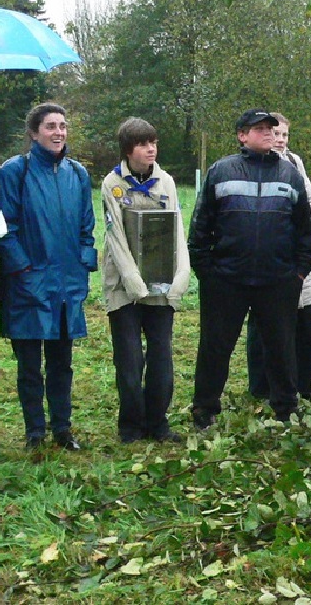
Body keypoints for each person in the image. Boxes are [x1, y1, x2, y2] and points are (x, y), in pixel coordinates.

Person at [188, 109, 311, 428]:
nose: (269, 134)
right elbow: (200, 227)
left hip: (277, 281)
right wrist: (208, 273)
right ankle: (205, 409)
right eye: (260, 129)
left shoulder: (290, 174)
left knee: (281, 347)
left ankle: (285, 407)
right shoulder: (221, 171)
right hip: (227, 281)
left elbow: (305, 231)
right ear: (242, 135)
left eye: (271, 129)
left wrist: (297, 274)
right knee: (215, 348)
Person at [0, 103, 97, 451]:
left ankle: (63, 428)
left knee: (61, 364)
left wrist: (83, 266)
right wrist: (23, 269)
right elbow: (4, 228)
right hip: (28, 283)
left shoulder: (78, 174)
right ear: (34, 132)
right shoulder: (16, 171)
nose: (58, 132)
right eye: (51, 126)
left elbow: (87, 227)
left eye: (63, 126)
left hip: (67, 286)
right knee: (28, 366)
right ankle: (34, 432)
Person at [100, 118, 190, 443]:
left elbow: (178, 229)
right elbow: (116, 238)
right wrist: (134, 283)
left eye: (153, 142)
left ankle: (158, 423)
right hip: (124, 288)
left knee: (161, 355)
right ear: (128, 149)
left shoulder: (166, 182)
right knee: (129, 358)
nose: (150, 148)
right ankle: (131, 426)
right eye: (142, 143)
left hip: (161, 285)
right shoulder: (112, 184)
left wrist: (181, 275)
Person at [246, 112, 311, 401]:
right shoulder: (254, 165)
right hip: (268, 261)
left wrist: (305, 232)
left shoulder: (295, 163)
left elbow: (310, 201)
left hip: (300, 257)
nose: (280, 140)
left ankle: (304, 384)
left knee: (308, 322)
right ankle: (261, 386)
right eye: (275, 134)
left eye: (285, 136)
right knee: (263, 325)